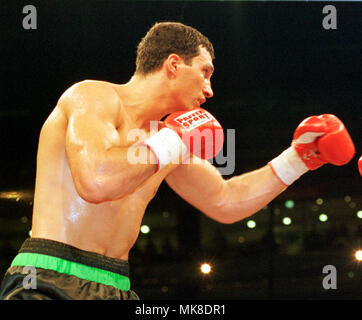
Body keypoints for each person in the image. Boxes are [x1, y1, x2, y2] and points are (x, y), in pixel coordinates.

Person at [0, 22, 355, 300]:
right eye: (205, 71)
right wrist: (173, 139)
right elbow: (97, 181)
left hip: (116, 284)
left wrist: (300, 159)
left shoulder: (169, 140)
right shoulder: (93, 97)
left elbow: (226, 201)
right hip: (47, 278)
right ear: (173, 64)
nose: (210, 89)